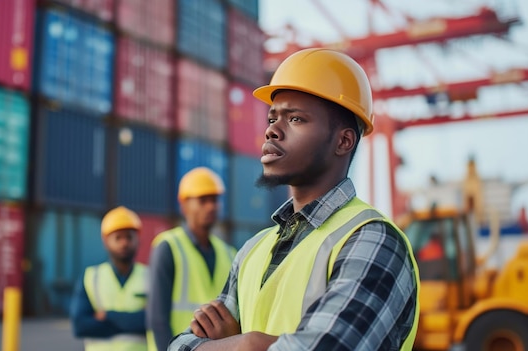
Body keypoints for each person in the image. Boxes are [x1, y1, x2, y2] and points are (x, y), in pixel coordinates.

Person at [169, 48, 420, 351]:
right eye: (272, 117)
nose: (272, 130)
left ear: (343, 141)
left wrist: (243, 342)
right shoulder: (253, 250)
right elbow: (178, 345)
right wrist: (250, 345)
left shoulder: (373, 240)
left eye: (296, 119)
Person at [146, 167, 236, 351]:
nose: (211, 206)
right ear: (183, 204)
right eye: (203, 200)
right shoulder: (168, 247)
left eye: (215, 200)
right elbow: (157, 320)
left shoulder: (230, 253)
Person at [71, 206, 148, 351]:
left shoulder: (151, 277)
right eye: (118, 238)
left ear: (138, 240)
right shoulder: (91, 277)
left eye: (129, 237)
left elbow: (153, 321)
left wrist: (109, 315)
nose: (124, 243)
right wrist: (134, 322)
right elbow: (80, 326)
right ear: (106, 241)